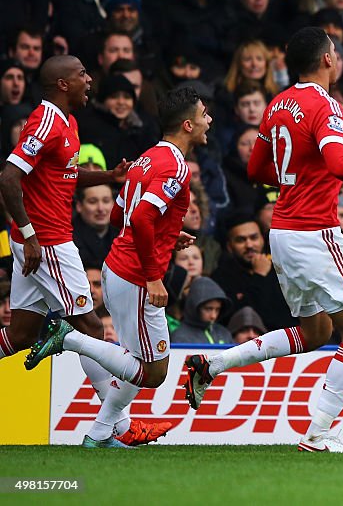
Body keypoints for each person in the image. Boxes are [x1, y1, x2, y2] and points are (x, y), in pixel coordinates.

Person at [181, 27, 343, 454]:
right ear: (327, 60)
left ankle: (212, 364)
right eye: (335, 53)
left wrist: (297, 178)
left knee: (315, 331)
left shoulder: (278, 102)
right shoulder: (326, 105)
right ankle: (319, 433)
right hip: (315, 232)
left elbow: (255, 170)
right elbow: (339, 162)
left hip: (283, 233)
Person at [25, 85, 210, 448]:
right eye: (204, 115)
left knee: (134, 361)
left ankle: (99, 435)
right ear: (187, 125)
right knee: (153, 372)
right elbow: (140, 217)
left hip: (117, 266)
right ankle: (68, 337)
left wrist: (169, 232)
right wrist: (155, 276)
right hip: (137, 276)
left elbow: (117, 214)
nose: (209, 121)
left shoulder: (145, 159)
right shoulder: (175, 165)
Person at [0, 56, 170, 446]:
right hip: (48, 242)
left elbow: (63, 174)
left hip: (43, 238)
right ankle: (119, 426)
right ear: (62, 83)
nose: (89, 79)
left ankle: (115, 426)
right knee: (90, 326)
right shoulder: (45, 121)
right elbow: (8, 178)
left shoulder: (68, 123)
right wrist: (30, 235)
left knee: (22, 332)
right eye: (81, 74)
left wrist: (108, 176)